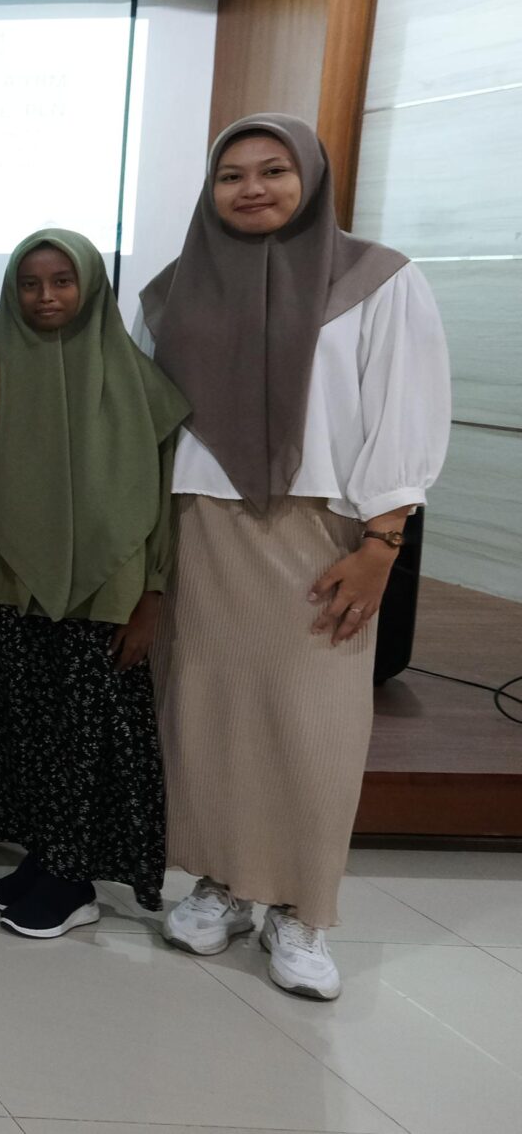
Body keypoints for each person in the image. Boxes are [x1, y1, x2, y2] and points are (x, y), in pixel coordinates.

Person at [140, 114, 447, 1000]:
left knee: (315, 723)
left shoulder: (378, 281)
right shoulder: (167, 293)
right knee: (210, 713)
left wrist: (383, 543)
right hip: (203, 523)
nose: (252, 189)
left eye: (273, 170)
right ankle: (223, 883)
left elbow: (404, 410)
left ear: (310, 178)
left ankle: (302, 907)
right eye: (231, 175)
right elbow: (148, 422)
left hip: (325, 531)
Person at [0, 229, 186, 940]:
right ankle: (44, 859)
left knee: (84, 735)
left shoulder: (138, 382)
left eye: (62, 281)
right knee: (25, 726)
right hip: (9, 581)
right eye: (30, 284)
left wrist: (151, 596)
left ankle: (74, 880)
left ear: (90, 286)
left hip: (106, 591)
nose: (45, 297)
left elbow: (161, 503)